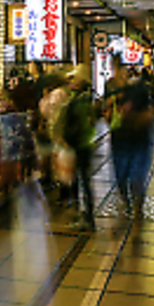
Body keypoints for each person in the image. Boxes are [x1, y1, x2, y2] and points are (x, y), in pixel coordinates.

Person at [110, 76, 154, 217]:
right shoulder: (117, 97)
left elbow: (148, 116)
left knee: (135, 178)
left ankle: (136, 209)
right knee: (123, 177)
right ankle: (131, 205)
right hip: (122, 141)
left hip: (135, 142)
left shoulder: (142, 99)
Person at [62, 65, 96, 230]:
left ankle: (86, 217)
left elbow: (80, 123)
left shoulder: (81, 99)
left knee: (81, 180)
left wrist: (69, 137)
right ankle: (84, 215)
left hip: (81, 144)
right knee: (81, 180)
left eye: (74, 78)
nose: (71, 81)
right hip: (82, 143)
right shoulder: (80, 97)